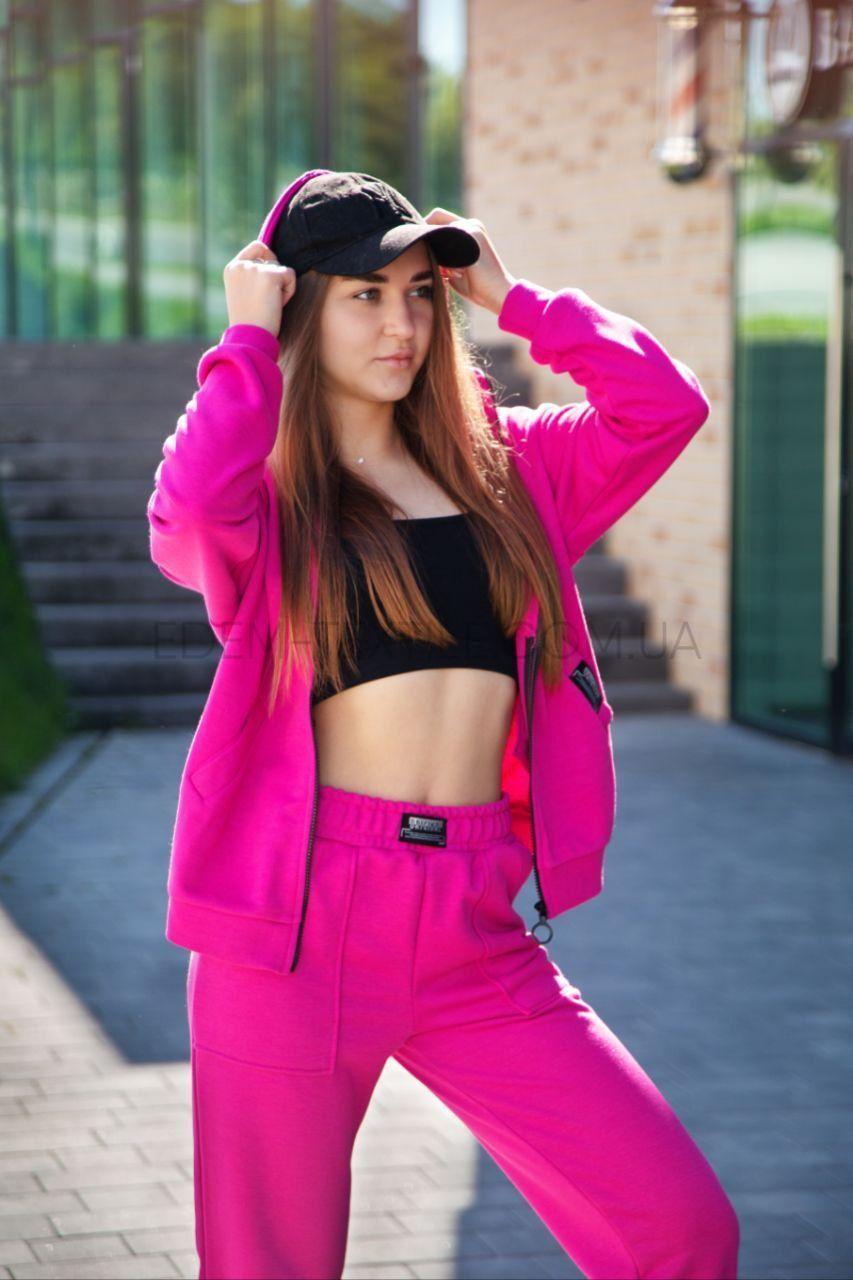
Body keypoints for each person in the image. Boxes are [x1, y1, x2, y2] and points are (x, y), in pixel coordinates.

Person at [147, 169, 740, 1280]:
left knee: (676, 1226)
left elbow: (665, 407)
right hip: (295, 931)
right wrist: (246, 340)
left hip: (475, 924)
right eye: (366, 295)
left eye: (421, 292)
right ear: (300, 305)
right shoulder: (269, 499)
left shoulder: (512, 468)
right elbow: (184, 513)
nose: (404, 324)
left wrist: (516, 301)